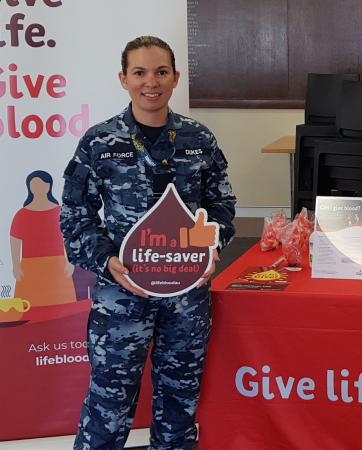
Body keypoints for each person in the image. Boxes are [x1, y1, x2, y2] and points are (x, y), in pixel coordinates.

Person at [60, 36, 236, 450]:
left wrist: (212, 246)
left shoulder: (198, 139)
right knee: (109, 404)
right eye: (139, 73)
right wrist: (107, 261)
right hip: (121, 295)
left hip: (186, 296)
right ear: (123, 79)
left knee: (179, 404)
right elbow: (74, 216)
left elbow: (222, 204)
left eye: (160, 72)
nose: (150, 82)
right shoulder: (99, 142)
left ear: (175, 77)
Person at [11, 170, 77, 306]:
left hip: (57, 266)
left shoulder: (60, 212)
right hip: (30, 268)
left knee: (62, 306)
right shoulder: (22, 214)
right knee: (29, 307)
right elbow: (15, 241)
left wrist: (70, 262)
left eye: (41, 184)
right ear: (29, 187)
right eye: (34, 185)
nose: (37, 188)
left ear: (48, 186)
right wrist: (16, 266)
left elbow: (69, 238)